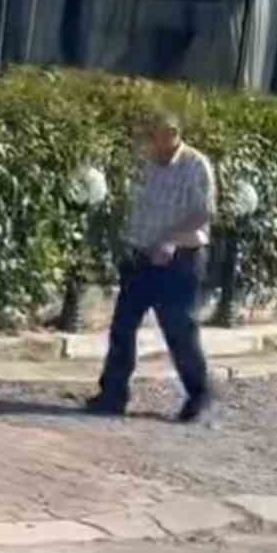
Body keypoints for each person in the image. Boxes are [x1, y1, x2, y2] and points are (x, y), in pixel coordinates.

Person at [86, 111, 216, 423]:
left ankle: (198, 395)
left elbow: (203, 213)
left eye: (156, 138)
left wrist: (171, 240)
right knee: (122, 327)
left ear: (172, 135)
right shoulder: (142, 162)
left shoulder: (196, 166)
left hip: (179, 260)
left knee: (179, 331)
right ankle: (113, 394)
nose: (151, 146)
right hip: (140, 256)